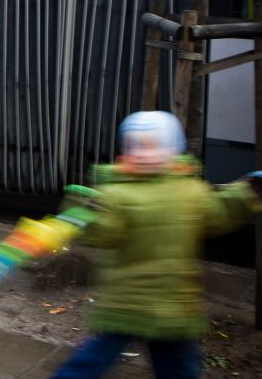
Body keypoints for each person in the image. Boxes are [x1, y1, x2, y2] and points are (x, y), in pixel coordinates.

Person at [50, 111, 262, 379]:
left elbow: (218, 215)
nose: (142, 153)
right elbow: (106, 234)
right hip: (128, 302)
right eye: (134, 145)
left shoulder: (190, 191)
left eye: (152, 145)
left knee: (178, 367)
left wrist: (244, 195)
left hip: (173, 305)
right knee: (93, 359)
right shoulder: (116, 194)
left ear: (173, 149)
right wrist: (85, 212)